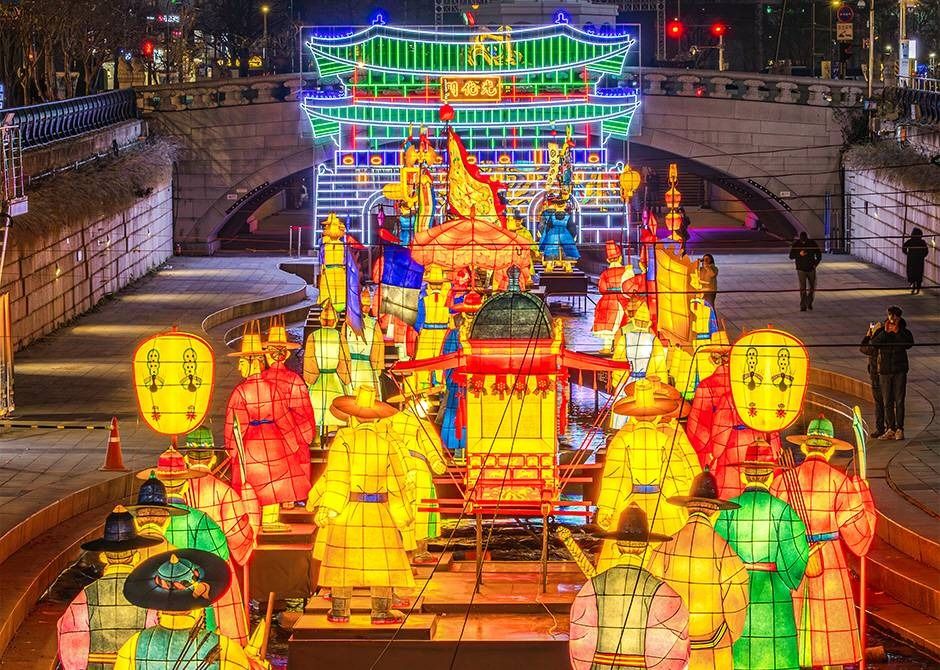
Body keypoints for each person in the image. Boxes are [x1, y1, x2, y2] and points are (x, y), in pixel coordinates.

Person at [770, 416, 876, 668]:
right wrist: (864, 497)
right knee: (827, 624)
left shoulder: (782, 481)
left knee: (792, 621)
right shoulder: (840, 483)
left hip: (791, 557)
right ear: (830, 449)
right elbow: (860, 538)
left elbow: (773, 529)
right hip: (828, 558)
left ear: (805, 447)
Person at [714, 441, 809, 670]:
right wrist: (791, 573)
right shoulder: (783, 510)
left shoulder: (727, 510)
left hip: (736, 587)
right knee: (775, 651)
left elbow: (717, 552)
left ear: (744, 475)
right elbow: (796, 555)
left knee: (740, 645)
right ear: (770, 476)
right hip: (773, 588)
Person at [558, 504, 690, 670]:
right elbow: (673, 652)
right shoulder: (665, 594)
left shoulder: (590, 589)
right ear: (647, 549)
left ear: (615, 547)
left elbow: (579, 642)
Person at [648, 469, 750, 670]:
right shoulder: (725, 551)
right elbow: (737, 603)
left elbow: (650, 597)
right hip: (713, 645)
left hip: (670, 644)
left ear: (687, 508)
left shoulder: (663, 549)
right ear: (714, 510)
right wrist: (729, 636)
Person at [57, 506, 161, 669]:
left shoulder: (86, 595)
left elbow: (69, 641)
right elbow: (156, 640)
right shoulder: (150, 594)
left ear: (103, 556)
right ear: (136, 556)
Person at [868, 305, 914, 440]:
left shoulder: (904, 331)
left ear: (899, 317)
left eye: (894, 316)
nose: (892, 318)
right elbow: (874, 343)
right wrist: (885, 332)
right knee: (887, 400)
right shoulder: (882, 330)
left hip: (899, 370)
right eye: (890, 315)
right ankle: (890, 428)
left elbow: (909, 343)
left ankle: (900, 428)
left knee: (899, 400)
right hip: (885, 370)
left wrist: (897, 332)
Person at [859, 322, 886, 438]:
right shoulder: (884, 339)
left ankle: (881, 428)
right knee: (885, 403)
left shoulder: (876, 342)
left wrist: (868, 336)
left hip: (877, 375)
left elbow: (863, 348)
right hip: (879, 374)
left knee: (880, 403)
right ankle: (889, 427)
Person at [788, 232, 821, 311]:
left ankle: (809, 302)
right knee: (802, 288)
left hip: (811, 268)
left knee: (812, 287)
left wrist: (815, 264)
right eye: (802, 240)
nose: (803, 242)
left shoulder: (812, 243)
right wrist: (799, 254)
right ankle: (803, 305)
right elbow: (791, 256)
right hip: (801, 269)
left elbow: (819, 254)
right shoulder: (796, 244)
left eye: (804, 240)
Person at [902, 227, 929, 294]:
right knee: (919, 274)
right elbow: (926, 251)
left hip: (911, 260)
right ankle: (918, 288)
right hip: (919, 260)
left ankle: (913, 286)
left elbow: (904, 247)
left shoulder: (910, 241)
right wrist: (922, 256)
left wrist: (907, 254)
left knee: (912, 273)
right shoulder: (922, 242)